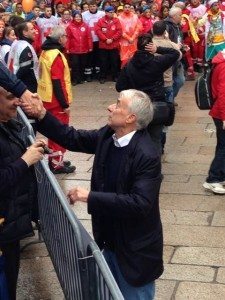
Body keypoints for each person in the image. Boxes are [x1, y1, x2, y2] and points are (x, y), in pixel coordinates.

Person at [22, 88, 163, 300]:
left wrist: (90, 196)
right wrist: (42, 115)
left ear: (131, 118)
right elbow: (73, 138)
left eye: (117, 104)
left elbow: (140, 203)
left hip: (134, 252)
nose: (110, 107)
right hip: (110, 241)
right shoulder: (108, 135)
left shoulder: (146, 154)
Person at [0, 87, 45, 300]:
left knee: (10, 282)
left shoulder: (9, 124)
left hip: (10, 225)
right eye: (10, 97)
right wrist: (25, 160)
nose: (17, 102)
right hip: (3, 225)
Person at [116, 33, 180, 153]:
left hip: (136, 107)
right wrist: (158, 49)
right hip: (156, 105)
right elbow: (175, 53)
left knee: (137, 138)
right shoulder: (157, 61)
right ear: (151, 45)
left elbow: (119, 87)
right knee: (155, 138)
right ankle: (154, 168)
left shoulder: (129, 65)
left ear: (137, 45)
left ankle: (138, 165)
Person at [38, 26, 76, 174]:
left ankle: (55, 159)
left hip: (46, 97)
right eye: (65, 36)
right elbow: (57, 82)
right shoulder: (56, 55)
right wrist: (64, 104)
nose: (67, 39)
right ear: (60, 38)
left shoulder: (46, 51)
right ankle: (56, 164)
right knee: (60, 133)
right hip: (56, 101)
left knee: (53, 131)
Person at [203, 49, 225, 194]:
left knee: (222, 144)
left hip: (219, 110)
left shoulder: (220, 61)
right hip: (221, 111)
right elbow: (223, 93)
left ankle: (219, 175)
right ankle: (213, 179)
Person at [8, 21, 39, 94]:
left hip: (16, 81)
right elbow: (24, 69)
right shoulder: (25, 47)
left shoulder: (16, 43)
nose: (34, 31)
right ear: (25, 33)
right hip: (26, 86)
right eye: (32, 29)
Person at [95, 5, 122, 84]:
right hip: (104, 45)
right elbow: (98, 31)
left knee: (114, 62)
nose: (112, 13)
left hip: (113, 45)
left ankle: (115, 76)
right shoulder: (101, 21)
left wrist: (112, 39)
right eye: (110, 12)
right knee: (103, 62)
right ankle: (102, 77)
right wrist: (105, 39)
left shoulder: (116, 20)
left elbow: (119, 31)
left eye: (113, 12)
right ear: (106, 12)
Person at [66, 10, 92, 85]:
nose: (78, 18)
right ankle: (74, 79)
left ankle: (80, 79)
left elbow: (89, 37)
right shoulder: (70, 27)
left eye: (79, 16)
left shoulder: (85, 26)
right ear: (73, 18)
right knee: (75, 64)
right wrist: (67, 48)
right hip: (74, 50)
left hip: (84, 49)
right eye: (76, 17)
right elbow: (68, 38)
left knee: (82, 64)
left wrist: (90, 46)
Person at [82, 1, 105, 81]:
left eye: (94, 6)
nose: (92, 7)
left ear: (97, 6)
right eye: (91, 6)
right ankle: (89, 74)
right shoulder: (84, 14)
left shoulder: (102, 14)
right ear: (88, 7)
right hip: (89, 39)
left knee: (99, 57)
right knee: (89, 58)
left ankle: (99, 73)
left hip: (99, 39)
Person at [118, 3, 142, 68]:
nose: (127, 8)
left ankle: (133, 73)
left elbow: (138, 27)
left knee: (133, 56)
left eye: (129, 7)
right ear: (123, 8)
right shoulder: (119, 18)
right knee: (124, 58)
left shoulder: (135, 16)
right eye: (125, 7)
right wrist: (128, 38)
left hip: (133, 41)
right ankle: (124, 73)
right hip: (124, 41)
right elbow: (120, 30)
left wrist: (133, 38)